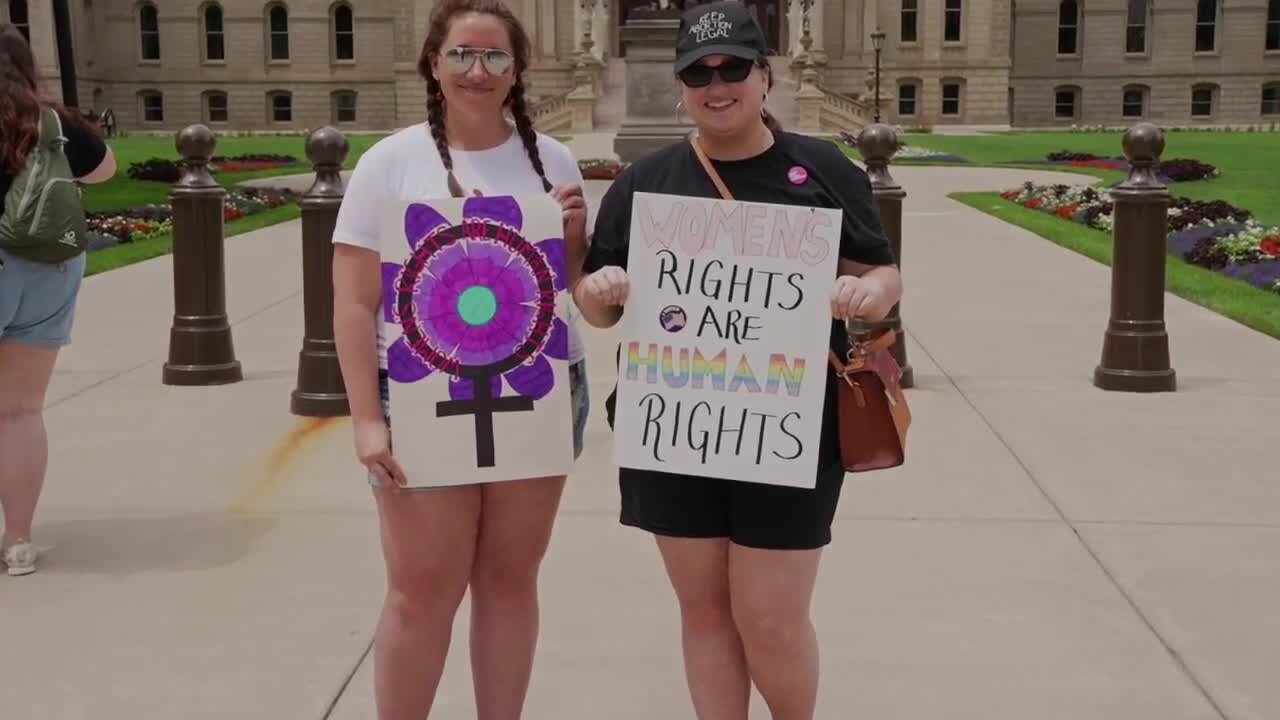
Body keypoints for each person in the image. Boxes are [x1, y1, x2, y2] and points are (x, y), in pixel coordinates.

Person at [572, 3, 903, 719]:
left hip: (786, 427)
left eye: (733, 69)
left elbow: (883, 275)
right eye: (698, 72)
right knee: (704, 615)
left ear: (765, 74)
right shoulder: (648, 181)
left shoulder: (820, 168)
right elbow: (600, 308)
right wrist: (600, 289)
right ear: (682, 82)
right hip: (676, 425)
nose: (716, 86)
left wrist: (863, 292)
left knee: (772, 619)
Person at [329, 0, 591, 717]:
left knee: (511, 580)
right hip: (417, 397)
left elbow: (568, 285)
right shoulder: (390, 162)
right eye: (463, 55)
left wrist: (574, 236)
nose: (479, 71)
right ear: (434, 65)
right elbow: (354, 304)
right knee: (422, 590)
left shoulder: (554, 159)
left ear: (517, 69)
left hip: (535, 391)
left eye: (496, 57)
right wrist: (364, 421)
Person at [0, 24, 116, 577]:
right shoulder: (52, 122)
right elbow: (105, 169)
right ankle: (18, 541)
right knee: (20, 411)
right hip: (48, 264)